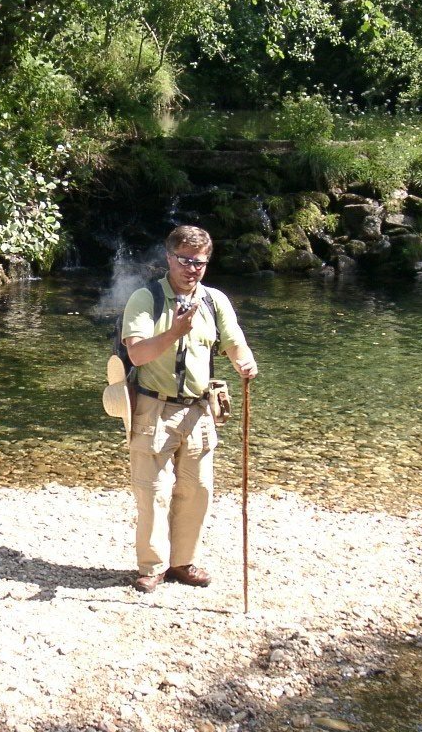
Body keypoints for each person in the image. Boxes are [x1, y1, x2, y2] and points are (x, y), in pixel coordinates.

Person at [121, 225, 258, 592]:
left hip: (198, 411)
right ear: (169, 258)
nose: (192, 269)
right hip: (153, 408)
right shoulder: (146, 298)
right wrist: (174, 333)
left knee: (197, 490)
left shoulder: (215, 301)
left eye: (200, 262)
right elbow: (137, 354)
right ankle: (152, 566)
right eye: (185, 261)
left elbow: (235, 343)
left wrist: (244, 362)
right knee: (153, 491)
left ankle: (183, 562)